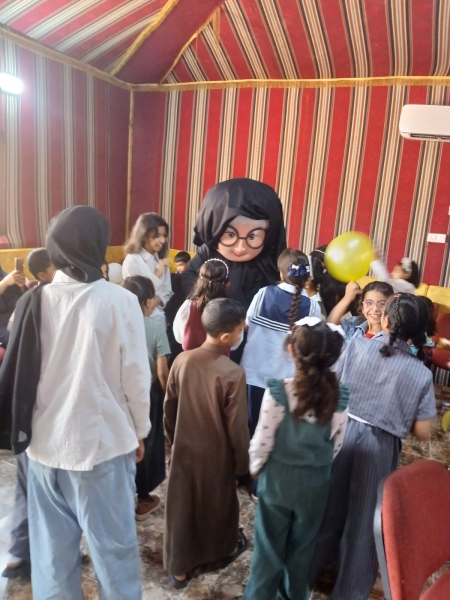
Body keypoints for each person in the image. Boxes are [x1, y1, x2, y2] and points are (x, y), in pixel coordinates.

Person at [0, 206, 151, 600]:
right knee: (114, 555)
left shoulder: (32, 301)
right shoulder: (119, 301)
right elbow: (136, 379)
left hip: (41, 448)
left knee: (52, 557)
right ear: (98, 245)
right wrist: (140, 431)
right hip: (100, 450)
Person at [309, 294, 436, 600]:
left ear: (386, 321)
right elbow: (423, 432)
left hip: (340, 433)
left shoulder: (355, 345)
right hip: (380, 446)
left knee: (327, 507)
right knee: (364, 521)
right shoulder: (421, 373)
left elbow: (331, 383)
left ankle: (306, 572)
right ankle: (350, 591)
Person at [244, 321, 349, 600]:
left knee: (268, 548)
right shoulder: (340, 397)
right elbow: (337, 443)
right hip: (315, 484)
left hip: (278, 481)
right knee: (302, 549)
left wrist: (256, 466)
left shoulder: (278, 392)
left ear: (292, 351)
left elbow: (263, 438)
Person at [164, 298, 251, 589]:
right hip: (217, 454)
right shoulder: (232, 373)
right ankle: (221, 551)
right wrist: (242, 465)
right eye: (240, 329)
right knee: (218, 504)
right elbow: (237, 428)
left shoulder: (182, 360)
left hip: (184, 449)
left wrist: (173, 441)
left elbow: (169, 407)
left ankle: (179, 571)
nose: (242, 332)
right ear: (226, 337)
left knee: (182, 506)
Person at [1, 249, 54, 580]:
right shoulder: (50, 302)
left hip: (22, 409)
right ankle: (45, 554)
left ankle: (17, 555)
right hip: (42, 412)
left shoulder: (26, 301)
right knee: (47, 491)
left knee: (26, 485)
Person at [241, 248, 323, 441]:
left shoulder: (264, 294)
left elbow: (247, 326)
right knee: (277, 434)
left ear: (281, 273)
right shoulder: (313, 306)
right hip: (288, 381)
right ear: (307, 277)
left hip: (255, 375)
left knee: (252, 431)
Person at [183, 178, 287, 312]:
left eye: (252, 236)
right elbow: (189, 277)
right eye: (231, 235)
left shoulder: (270, 260)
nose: (240, 248)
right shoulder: (208, 253)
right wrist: (208, 298)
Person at [122, 275, 170, 520]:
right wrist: (168, 396)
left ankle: (120, 494)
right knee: (147, 444)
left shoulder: (115, 323)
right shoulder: (154, 327)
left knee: (123, 443)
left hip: (118, 392)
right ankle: (143, 499)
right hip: (147, 392)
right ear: (148, 301)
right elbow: (162, 371)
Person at [122, 213, 173, 324]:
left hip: (160, 319)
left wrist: (157, 301)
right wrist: (157, 274)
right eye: (157, 235)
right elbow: (138, 295)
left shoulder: (162, 259)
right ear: (144, 235)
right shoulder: (132, 261)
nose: (162, 240)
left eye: (164, 236)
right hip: (138, 321)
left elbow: (168, 291)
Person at [173, 258, 230, 351]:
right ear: (227, 284)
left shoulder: (188, 306)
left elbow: (179, 337)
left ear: (199, 281)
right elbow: (236, 343)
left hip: (192, 358)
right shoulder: (231, 310)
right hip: (220, 359)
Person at [328, 280, 394, 340]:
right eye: (369, 303)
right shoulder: (354, 323)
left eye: (382, 304)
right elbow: (330, 325)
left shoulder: (392, 337)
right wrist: (347, 297)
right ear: (362, 306)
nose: (375, 309)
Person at [165, 252, 191, 365]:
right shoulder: (173, 278)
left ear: (189, 263)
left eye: (181, 265)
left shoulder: (192, 278)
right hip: (173, 313)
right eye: (177, 266)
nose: (179, 268)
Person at [0, 265, 25, 352]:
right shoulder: (7, 279)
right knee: (16, 338)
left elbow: (21, 300)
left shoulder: (6, 276)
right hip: (2, 323)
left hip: (15, 317)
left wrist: (21, 286)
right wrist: (5, 283)